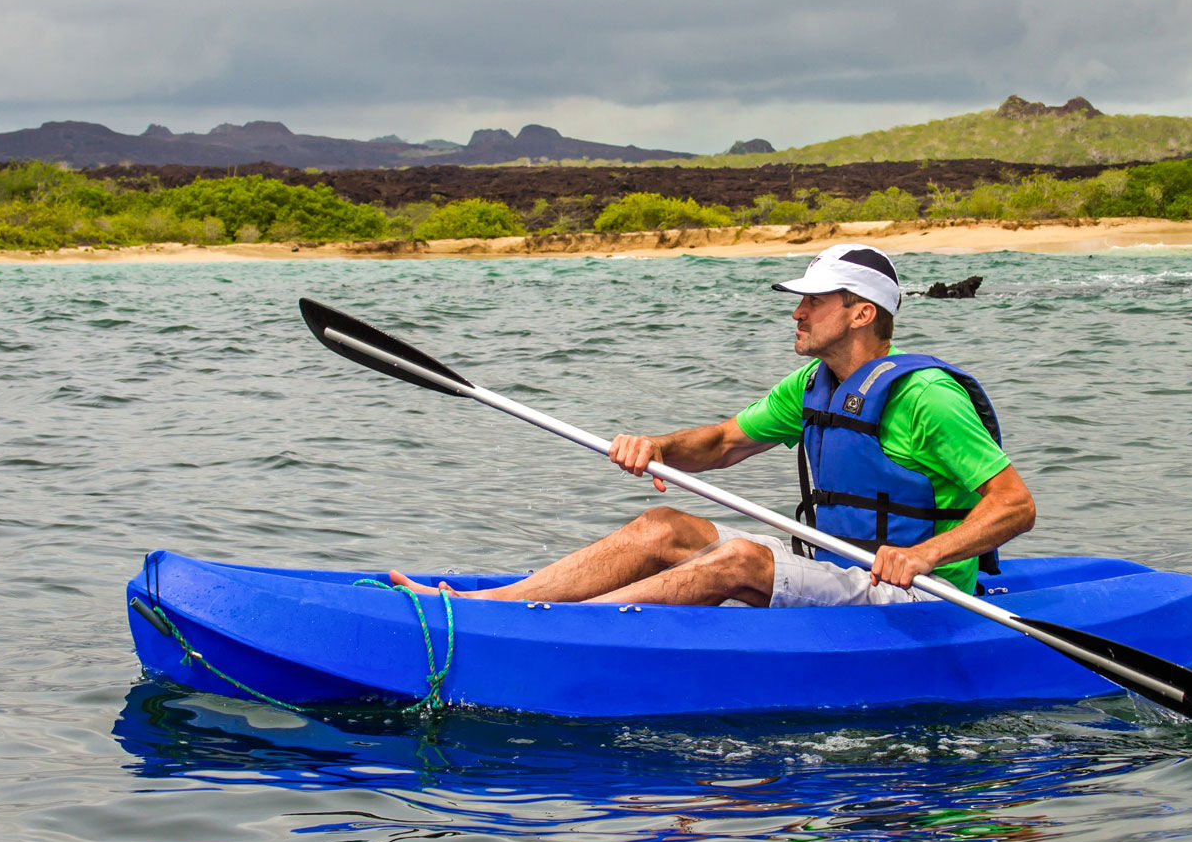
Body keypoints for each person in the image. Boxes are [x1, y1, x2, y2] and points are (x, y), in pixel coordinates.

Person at [391, 243, 1035, 607]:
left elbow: (1014, 507)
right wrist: (657, 447)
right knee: (663, 526)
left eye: (814, 301)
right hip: (836, 565)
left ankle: (557, 631)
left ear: (862, 312)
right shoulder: (814, 386)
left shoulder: (926, 397)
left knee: (736, 558)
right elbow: (724, 443)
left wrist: (923, 555)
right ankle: (494, 607)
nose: (798, 313)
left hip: (918, 597)